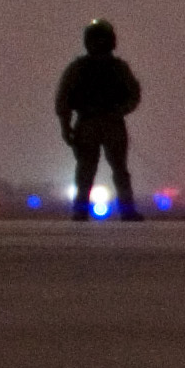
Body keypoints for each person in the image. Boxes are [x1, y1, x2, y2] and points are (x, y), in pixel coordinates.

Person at [55, 19, 143, 221]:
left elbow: (63, 99)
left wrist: (66, 126)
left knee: (103, 170)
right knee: (92, 171)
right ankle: (117, 210)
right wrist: (65, 125)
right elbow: (64, 99)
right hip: (95, 123)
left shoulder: (102, 68)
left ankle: (87, 210)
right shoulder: (106, 68)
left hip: (100, 123)